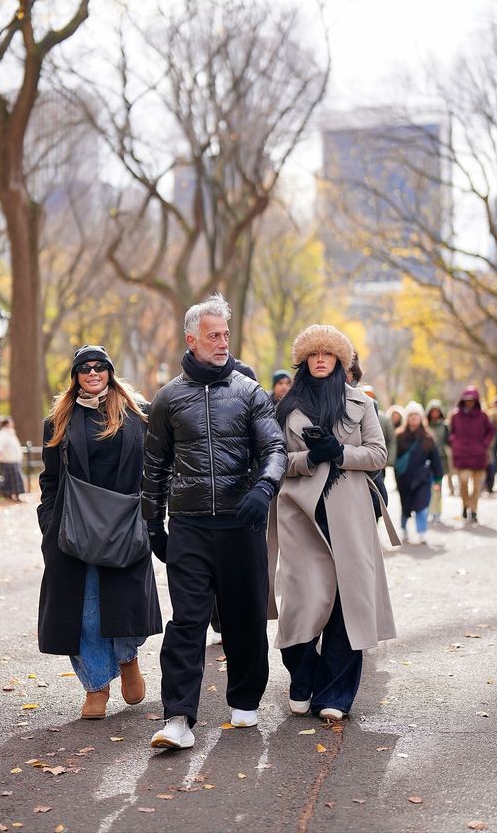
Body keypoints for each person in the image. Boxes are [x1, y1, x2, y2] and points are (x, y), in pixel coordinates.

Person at [143, 294, 287, 751]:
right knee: (186, 621)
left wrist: (264, 488)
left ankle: (245, 700)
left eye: (226, 334)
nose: (223, 342)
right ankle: (178, 719)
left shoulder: (250, 393)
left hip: (241, 526)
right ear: (192, 340)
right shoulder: (168, 398)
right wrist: (153, 526)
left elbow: (275, 451)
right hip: (189, 526)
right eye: (213, 336)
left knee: (245, 619)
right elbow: (154, 467)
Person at [272, 324, 396, 722]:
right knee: (301, 602)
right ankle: (303, 677)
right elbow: (274, 460)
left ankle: (337, 695)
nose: (321, 359)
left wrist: (339, 452)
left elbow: (377, 455)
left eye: (329, 354)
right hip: (302, 514)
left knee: (347, 606)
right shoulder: (287, 406)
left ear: (342, 362)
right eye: (314, 354)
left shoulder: (360, 403)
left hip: (349, 515)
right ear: (305, 361)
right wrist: (307, 459)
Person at [37, 345, 162, 720]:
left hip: (124, 522)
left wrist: (149, 514)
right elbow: (50, 479)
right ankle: (96, 686)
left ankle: (127, 659)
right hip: (74, 527)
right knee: (86, 609)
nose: (93, 373)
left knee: (124, 601)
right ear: (75, 376)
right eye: (84, 369)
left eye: (99, 367)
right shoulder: (58, 420)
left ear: (109, 371)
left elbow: (156, 467)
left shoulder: (138, 413)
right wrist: (49, 521)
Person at [394, 402, 443, 543]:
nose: (414, 418)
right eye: (411, 415)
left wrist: (438, 479)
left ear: (421, 417)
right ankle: (403, 530)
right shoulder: (399, 436)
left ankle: (422, 532)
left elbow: (435, 459)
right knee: (405, 506)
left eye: (416, 415)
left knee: (422, 505)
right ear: (407, 418)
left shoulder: (428, 437)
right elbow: (394, 457)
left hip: (422, 478)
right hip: (404, 478)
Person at [448, 386, 494, 523]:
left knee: (477, 486)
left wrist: (483, 445)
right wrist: (455, 443)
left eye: (472, 400)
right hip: (462, 456)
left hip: (478, 457)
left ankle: (473, 510)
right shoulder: (456, 416)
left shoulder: (483, 416)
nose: (469, 402)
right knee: (463, 483)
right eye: (467, 400)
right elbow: (451, 432)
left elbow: (490, 431)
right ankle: (465, 505)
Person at [426, 400, 450, 520]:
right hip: (426, 459)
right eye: (433, 411)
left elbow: (449, 442)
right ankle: (429, 510)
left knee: (438, 486)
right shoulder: (425, 425)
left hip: (440, 459)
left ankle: (437, 512)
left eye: (437, 411)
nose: (435, 414)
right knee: (427, 486)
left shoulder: (444, 426)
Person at [362, 386, 397, 468]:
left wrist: (388, 462)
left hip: (379, 464)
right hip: (361, 462)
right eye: (366, 395)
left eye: (371, 396)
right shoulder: (355, 417)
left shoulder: (385, 419)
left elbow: (391, 441)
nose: (369, 399)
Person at [0, 417, 25, 500]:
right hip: (8, 460)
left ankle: (16, 495)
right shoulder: (2, 434)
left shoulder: (11, 433)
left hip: (14, 460)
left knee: (16, 479)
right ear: (7, 424)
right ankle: (9, 495)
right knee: (10, 480)